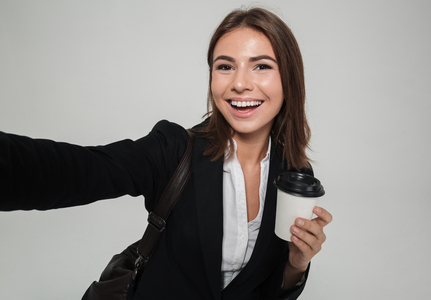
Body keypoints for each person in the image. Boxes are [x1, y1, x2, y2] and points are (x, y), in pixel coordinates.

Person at [0, 7, 332, 300]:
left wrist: (297, 264)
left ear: (288, 78)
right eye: (225, 66)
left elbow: (269, 289)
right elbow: (81, 169)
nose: (240, 84)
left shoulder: (295, 177)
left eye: (261, 66)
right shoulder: (174, 149)